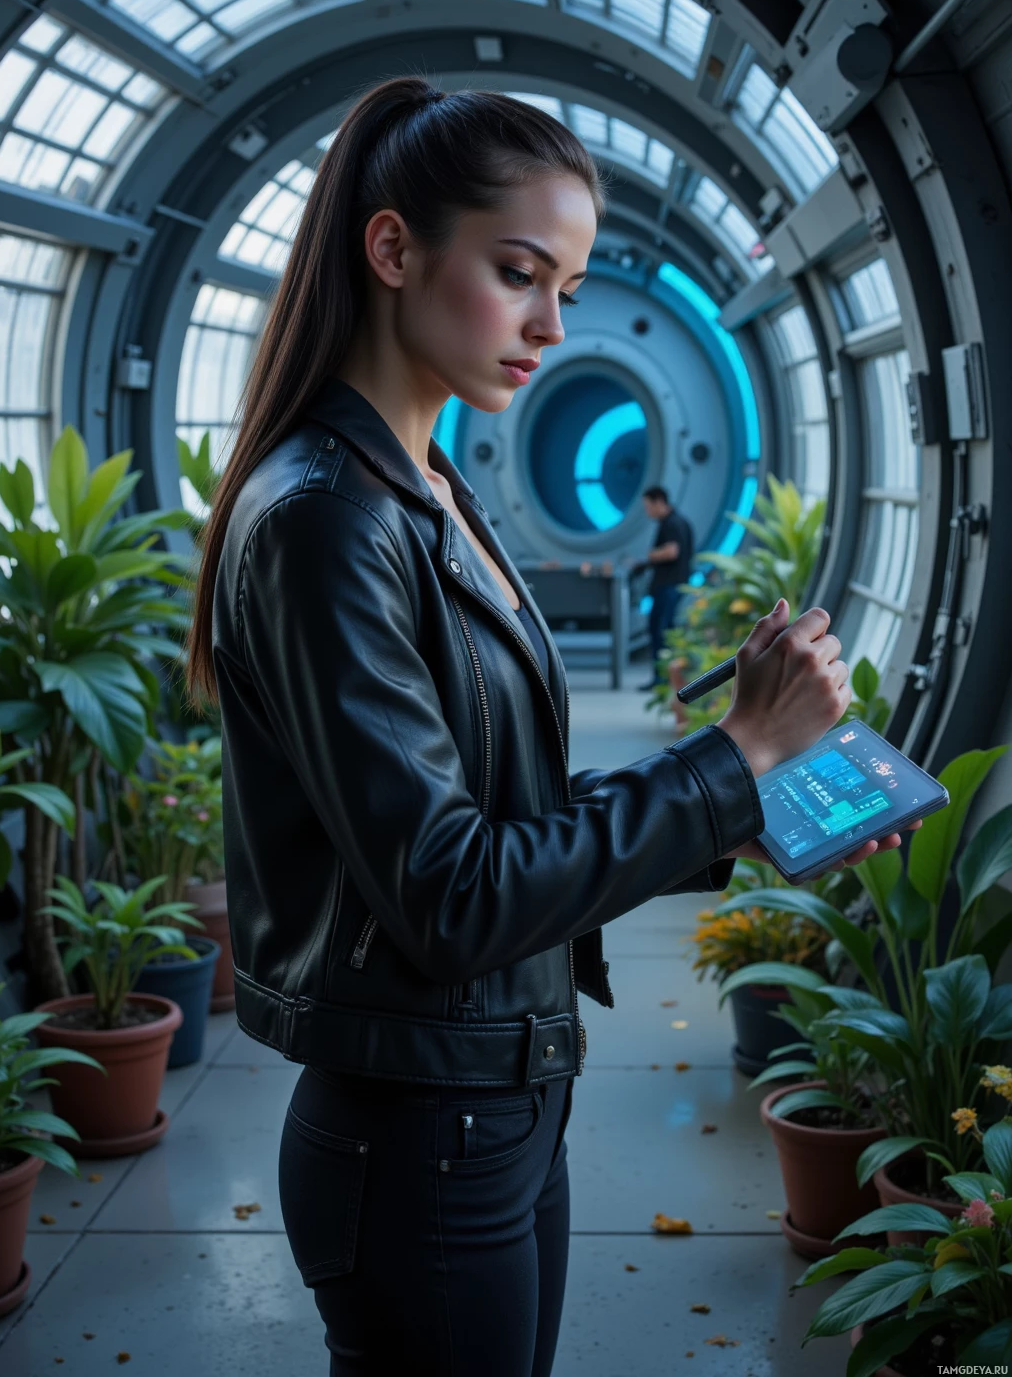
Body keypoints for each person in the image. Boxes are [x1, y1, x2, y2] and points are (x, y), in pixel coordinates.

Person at [186, 78, 920, 1377]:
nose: (550, 323)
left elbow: (501, 818)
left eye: (569, 286)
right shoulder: (326, 521)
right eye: (521, 272)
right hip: (421, 1130)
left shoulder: (427, 489)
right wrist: (735, 748)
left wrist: (743, 821)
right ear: (395, 249)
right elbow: (451, 896)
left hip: (501, 1094)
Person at [635, 485, 694, 691]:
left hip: (669, 585)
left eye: (648, 506)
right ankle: (665, 678)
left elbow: (672, 552)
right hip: (672, 584)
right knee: (663, 628)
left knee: (661, 629)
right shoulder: (677, 522)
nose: (647, 511)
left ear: (659, 501)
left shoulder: (672, 523)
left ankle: (662, 679)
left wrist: (651, 555)